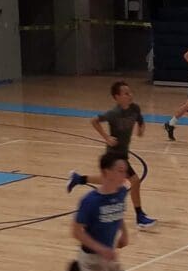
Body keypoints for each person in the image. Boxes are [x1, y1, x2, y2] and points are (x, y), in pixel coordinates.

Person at [64, 80, 157, 231]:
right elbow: (94, 121)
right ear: (117, 97)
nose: (130, 95)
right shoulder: (113, 114)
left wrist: (141, 129)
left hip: (123, 154)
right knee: (134, 181)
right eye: (125, 93)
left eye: (130, 92)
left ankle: (78, 178)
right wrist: (106, 137)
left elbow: (140, 120)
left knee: (112, 181)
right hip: (114, 155)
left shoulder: (135, 108)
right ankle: (140, 217)